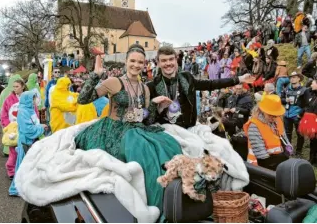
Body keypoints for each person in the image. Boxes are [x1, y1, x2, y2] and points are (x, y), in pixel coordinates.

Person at [75, 44, 182, 212]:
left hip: (137, 128)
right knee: (143, 151)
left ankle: (175, 198)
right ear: (126, 61)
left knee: (169, 144)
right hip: (115, 130)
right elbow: (82, 99)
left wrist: (157, 107)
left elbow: (146, 118)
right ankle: (155, 205)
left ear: (145, 64)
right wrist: (96, 74)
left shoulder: (145, 88)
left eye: (140, 62)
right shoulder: (114, 82)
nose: (136, 65)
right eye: (132, 61)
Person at [147, 46, 254, 129]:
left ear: (176, 60)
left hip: (189, 129)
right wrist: (155, 106)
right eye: (164, 60)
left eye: (171, 59)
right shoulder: (152, 86)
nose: (168, 63)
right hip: (167, 133)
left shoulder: (187, 78)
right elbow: (147, 120)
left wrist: (238, 79)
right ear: (158, 63)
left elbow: (211, 84)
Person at [9, 91, 47, 196]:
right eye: (34, 98)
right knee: (23, 166)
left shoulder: (30, 110)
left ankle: (28, 188)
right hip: (26, 142)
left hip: (32, 141)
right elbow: (28, 129)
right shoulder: (23, 112)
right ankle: (16, 189)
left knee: (29, 166)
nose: (35, 100)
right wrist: (40, 127)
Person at [244, 95, 289, 170]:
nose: (274, 118)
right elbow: (261, 156)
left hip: (279, 162)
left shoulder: (278, 120)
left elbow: (284, 138)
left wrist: (287, 150)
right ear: (262, 111)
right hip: (261, 166)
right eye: (271, 115)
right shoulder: (254, 126)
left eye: (276, 115)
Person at [1, 79, 28, 179]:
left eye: (17, 86)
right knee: (13, 150)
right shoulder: (9, 99)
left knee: (25, 149)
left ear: (23, 87)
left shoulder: (28, 98)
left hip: (25, 128)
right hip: (13, 128)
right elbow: (3, 114)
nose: (15, 88)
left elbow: (34, 112)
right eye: (14, 86)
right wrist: (8, 126)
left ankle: (24, 170)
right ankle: (11, 170)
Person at [281, 72, 309, 156]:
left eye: (294, 77)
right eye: (291, 77)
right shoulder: (286, 89)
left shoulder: (304, 90)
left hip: (297, 115)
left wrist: (300, 114)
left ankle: (299, 151)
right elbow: (281, 99)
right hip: (287, 114)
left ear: (299, 79)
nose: (292, 79)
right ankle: (289, 150)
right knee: (287, 133)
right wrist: (285, 100)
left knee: (299, 134)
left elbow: (308, 105)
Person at [298, 76, 317, 165]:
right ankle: (312, 160)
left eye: (313, 83)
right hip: (313, 123)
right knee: (313, 141)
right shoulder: (312, 94)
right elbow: (308, 107)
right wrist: (301, 113)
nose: (311, 84)